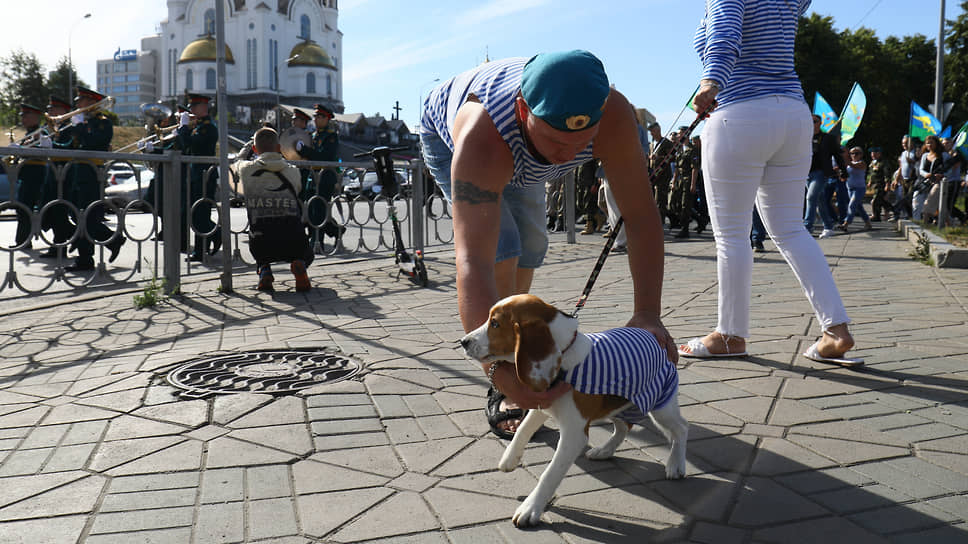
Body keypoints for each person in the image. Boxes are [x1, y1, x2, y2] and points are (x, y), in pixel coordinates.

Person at [419, 50, 675, 438]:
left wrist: (648, 315)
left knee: (533, 245)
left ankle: (514, 339)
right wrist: (497, 371)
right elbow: (473, 260)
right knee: (503, 247)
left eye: (583, 144)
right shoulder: (483, 137)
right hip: (458, 134)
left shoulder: (615, 116)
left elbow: (640, 217)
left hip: (524, 147)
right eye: (558, 143)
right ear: (524, 109)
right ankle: (504, 362)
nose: (569, 157)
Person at [679, 0, 861, 366]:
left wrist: (710, 82)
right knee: (792, 229)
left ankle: (730, 335)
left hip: (741, 112)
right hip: (793, 113)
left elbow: (725, 34)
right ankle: (835, 329)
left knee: (731, 234)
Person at [54, 87, 125, 272]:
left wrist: (78, 127)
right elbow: (70, 147)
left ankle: (89, 256)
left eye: (81, 100)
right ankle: (105, 245)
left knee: (88, 216)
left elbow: (94, 142)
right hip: (78, 172)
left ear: (92, 103)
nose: (77, 104)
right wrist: (53, 142)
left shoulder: (103, 123)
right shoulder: (82, 122)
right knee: (78, 215)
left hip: (93, 174)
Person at [236, 127, 313, 292]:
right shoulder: (293, 172)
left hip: (262, 242)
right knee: (306, 251)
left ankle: (264, 271)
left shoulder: (246, 170)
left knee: (256, 235)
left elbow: (237, 161)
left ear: (255, 149)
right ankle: (299, 263)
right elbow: (299, 190)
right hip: (293, 239)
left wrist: (249, 147)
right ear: (280, 148)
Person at [178, 93, 220, 262]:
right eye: (192, 106)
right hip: (196, 175)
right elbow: (187, 149)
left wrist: (183, 130)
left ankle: (201, 251)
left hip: (204, 175)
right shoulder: (199, 126)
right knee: (196, 214)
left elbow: (191, 144)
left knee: (200, 214)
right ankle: (215, 235)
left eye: (195, 106)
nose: (192, 109)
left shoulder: (207, 127)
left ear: (204, 107)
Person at [300, 104, 344, 246]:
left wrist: (305, 150)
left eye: (320, 116)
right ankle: (335, 232)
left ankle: (317, 241)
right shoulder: (313, 135)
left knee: (319, 210)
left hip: (325, 177)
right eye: (315, 116)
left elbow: (325, 156)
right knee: (312, 210)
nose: (316, 119)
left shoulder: (331, 136)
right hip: (312, 176)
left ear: (327, 118)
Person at [10, 104, 50, 249]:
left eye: (26, 115)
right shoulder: (29, 133)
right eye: (22, 115)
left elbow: (43, 151)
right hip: (28, 173)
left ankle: (23, 241)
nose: (23, 118)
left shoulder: (41, 132)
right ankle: (23, 240)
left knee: (26, 207)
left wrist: (21, 150)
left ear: (35, 117)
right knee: (22, 207)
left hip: (36, 173)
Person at [39, 96, 74, 260]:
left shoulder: (71, 126)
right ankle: (58, 246)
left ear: (64, 111)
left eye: (54, 109)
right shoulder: (55, 127)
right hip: (53, 173)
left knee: (59, 212)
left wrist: (53, 145)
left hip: (65, 174)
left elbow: (70, 147)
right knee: (53, 211)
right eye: (50, 108)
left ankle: (77, 239)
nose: (50, 111)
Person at [803, 116, 845, 239]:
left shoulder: (828, 138)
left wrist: (843, 172)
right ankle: (828, 226)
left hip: (821, 173)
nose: (812, 124)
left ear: (820, 123)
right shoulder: (804, 137)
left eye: (815, 121)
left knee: (810, 197)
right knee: (819, 200)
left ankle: (807, 227)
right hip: (806, 173)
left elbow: (838, 155)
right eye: (809, 121)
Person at [648, 122, 675, 229]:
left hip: (663, 175)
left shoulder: (667, 143)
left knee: (660, 200)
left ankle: (660, 223)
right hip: (653, 175)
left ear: (658, 130)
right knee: (653, 200)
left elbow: (672, 157)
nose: (651, 134)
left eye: (653, 132)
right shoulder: (652, 144)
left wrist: (658, 158)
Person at [838, 146, 872, 231]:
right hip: (850, 188)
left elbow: (853, 166)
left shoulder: (862, 163)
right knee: (859, 207)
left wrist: (844, 156)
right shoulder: (848, 164)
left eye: (857, 153)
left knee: (852, 205)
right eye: (852, 153)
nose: (854, 155)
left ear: (861, 155)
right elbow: (844, 175)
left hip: (859, 188)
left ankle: (845, 224)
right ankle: (868, 223)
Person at [914, 135, 947, 222]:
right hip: (925, 182)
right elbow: (921, 170)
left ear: (936, 143)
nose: (929, 145)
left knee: (929, 203)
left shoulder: (943, 155)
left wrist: (941, 175)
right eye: (927, 143)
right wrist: (926, 175)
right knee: (917, 201)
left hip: (938, 183)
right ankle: (917, 221)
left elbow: (949, 169)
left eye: (931, 142)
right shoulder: (925, 155)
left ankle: (925, 223)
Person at [894, 135, 919, 220]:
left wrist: (912, 161)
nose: (904, 145)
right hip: (904, 179)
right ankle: (908, 215)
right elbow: (901, 166)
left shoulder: (916, 152)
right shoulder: (903, 153)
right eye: (903, 143)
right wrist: (897, 178)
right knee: (903, 197)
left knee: (908, 197)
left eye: (906, 143)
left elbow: (919, 164)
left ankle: (906, 214)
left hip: (913, 179)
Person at [867, 146, 890, 222]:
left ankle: (876, 216)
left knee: (876, 200)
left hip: (881, 184)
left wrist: (887, 184)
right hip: (875, 185)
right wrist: (870, 181)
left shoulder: (883, 162)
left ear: (879, 153)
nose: (872, 154)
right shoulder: (873, 162)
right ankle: (888, 211)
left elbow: (886, 174)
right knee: (880, 200)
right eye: (872, 153)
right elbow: (871, 173)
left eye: (875, 153)